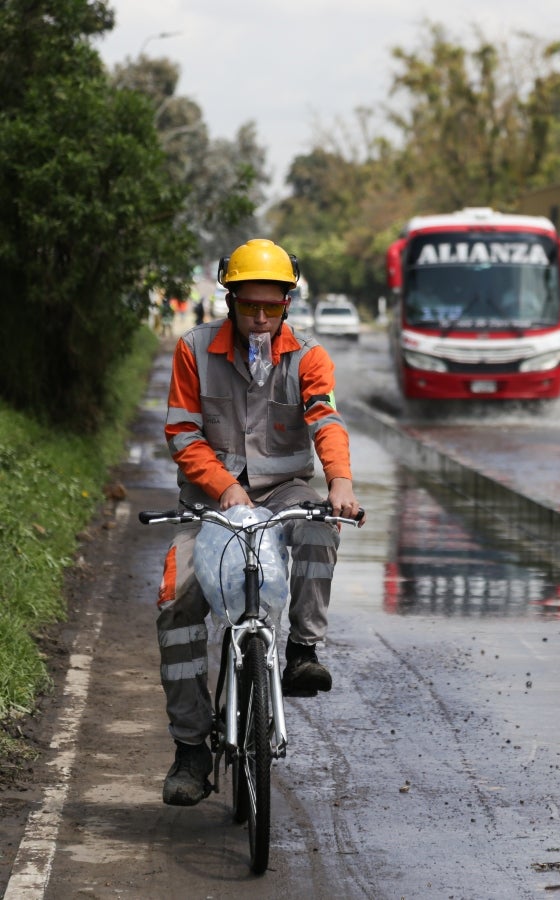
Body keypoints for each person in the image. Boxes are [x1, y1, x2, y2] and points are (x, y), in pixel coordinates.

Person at [155, 238, 364, 807]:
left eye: (272, 307)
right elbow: (182, 434)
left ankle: (302, 650)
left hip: (284, 491)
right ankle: (191, 748)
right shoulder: (194, 349)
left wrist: (339, 480)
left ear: (288, 303)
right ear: (231, 302)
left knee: (320, 525)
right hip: (209, 501)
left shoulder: (309, 355)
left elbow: (325, 420)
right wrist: (226, 489)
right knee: (178, 603)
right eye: (250, 307)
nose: (261, 318)